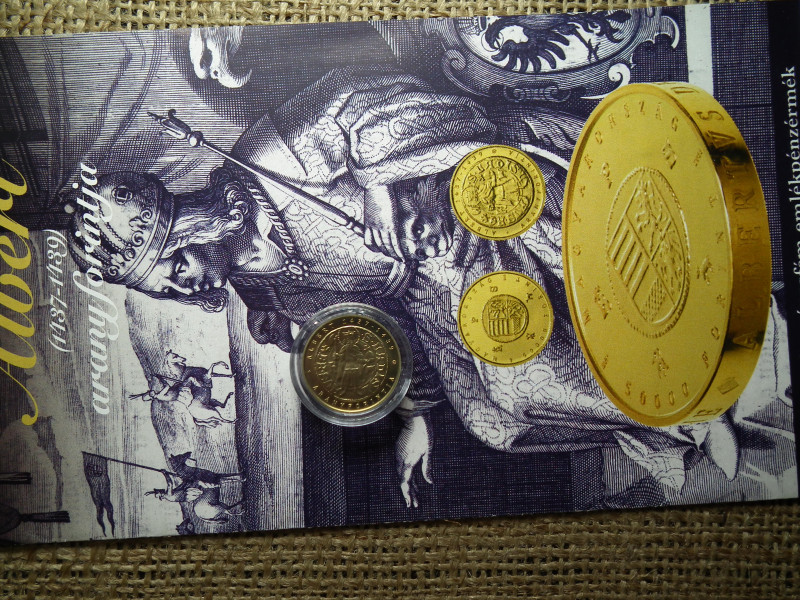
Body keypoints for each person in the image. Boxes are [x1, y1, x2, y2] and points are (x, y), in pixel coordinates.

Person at [67, 68, 764, 503]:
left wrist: (378, 187)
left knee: (522, 381)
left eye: (176, 272)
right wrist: (417, 418)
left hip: (466, 207)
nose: (187, 289)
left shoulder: (268, 157)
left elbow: (356, 95)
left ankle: (685, 407)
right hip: (437, 293)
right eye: (170, 292)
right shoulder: (266, 292)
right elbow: (384, 329)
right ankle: (654, 420)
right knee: (492, 422)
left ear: (187, 229)